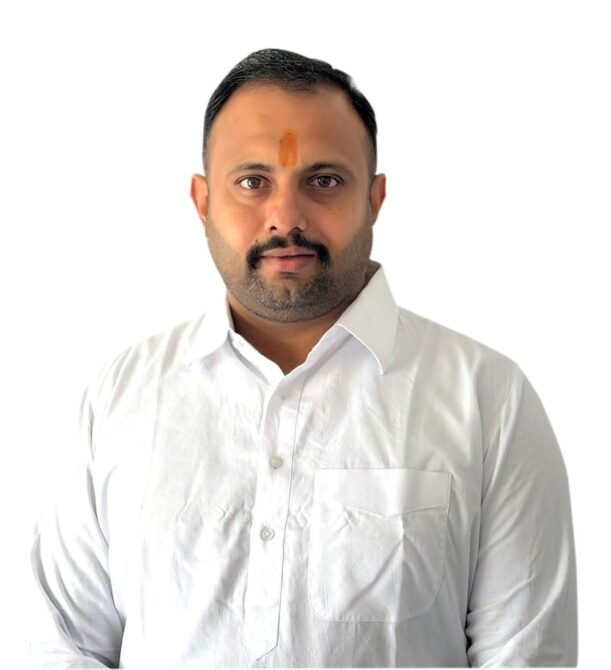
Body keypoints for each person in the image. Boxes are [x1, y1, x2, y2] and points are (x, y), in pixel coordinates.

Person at [30, 48, 577, 668]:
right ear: (202, 201)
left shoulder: (487, 399)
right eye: (252, 182)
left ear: (374, 198)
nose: (285, 218)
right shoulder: (120, 399)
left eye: (324, 181)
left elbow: (528, 657)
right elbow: (61, 647)